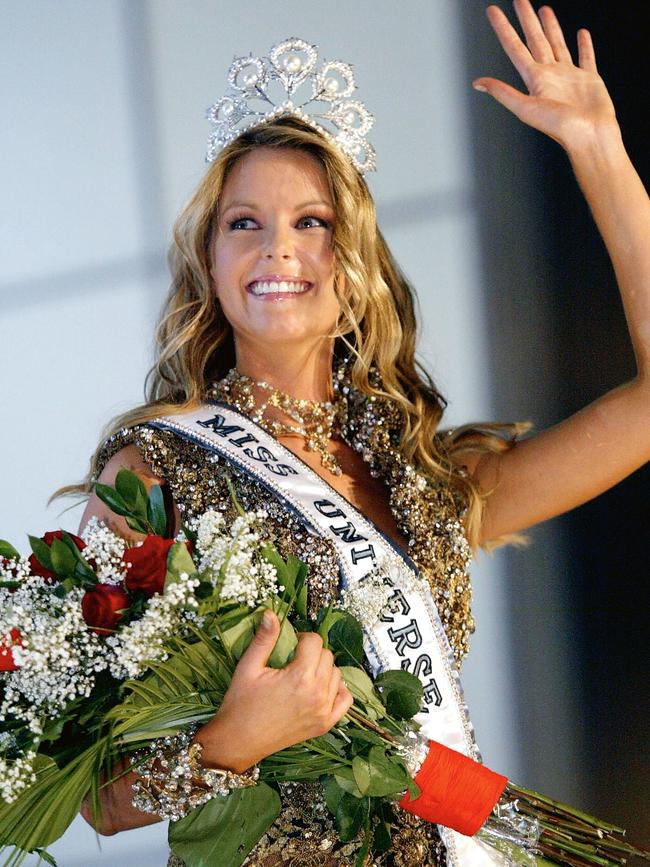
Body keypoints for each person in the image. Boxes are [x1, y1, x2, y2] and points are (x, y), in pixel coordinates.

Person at [66, 2, 650, 864]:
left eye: (313, 222)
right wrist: (235, 738)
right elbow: (95, 802)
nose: (278, 250)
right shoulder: (150, 474)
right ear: (210, 260)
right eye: (244, 222)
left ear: (356, 262)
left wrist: (601, 150)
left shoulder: (418, 476)